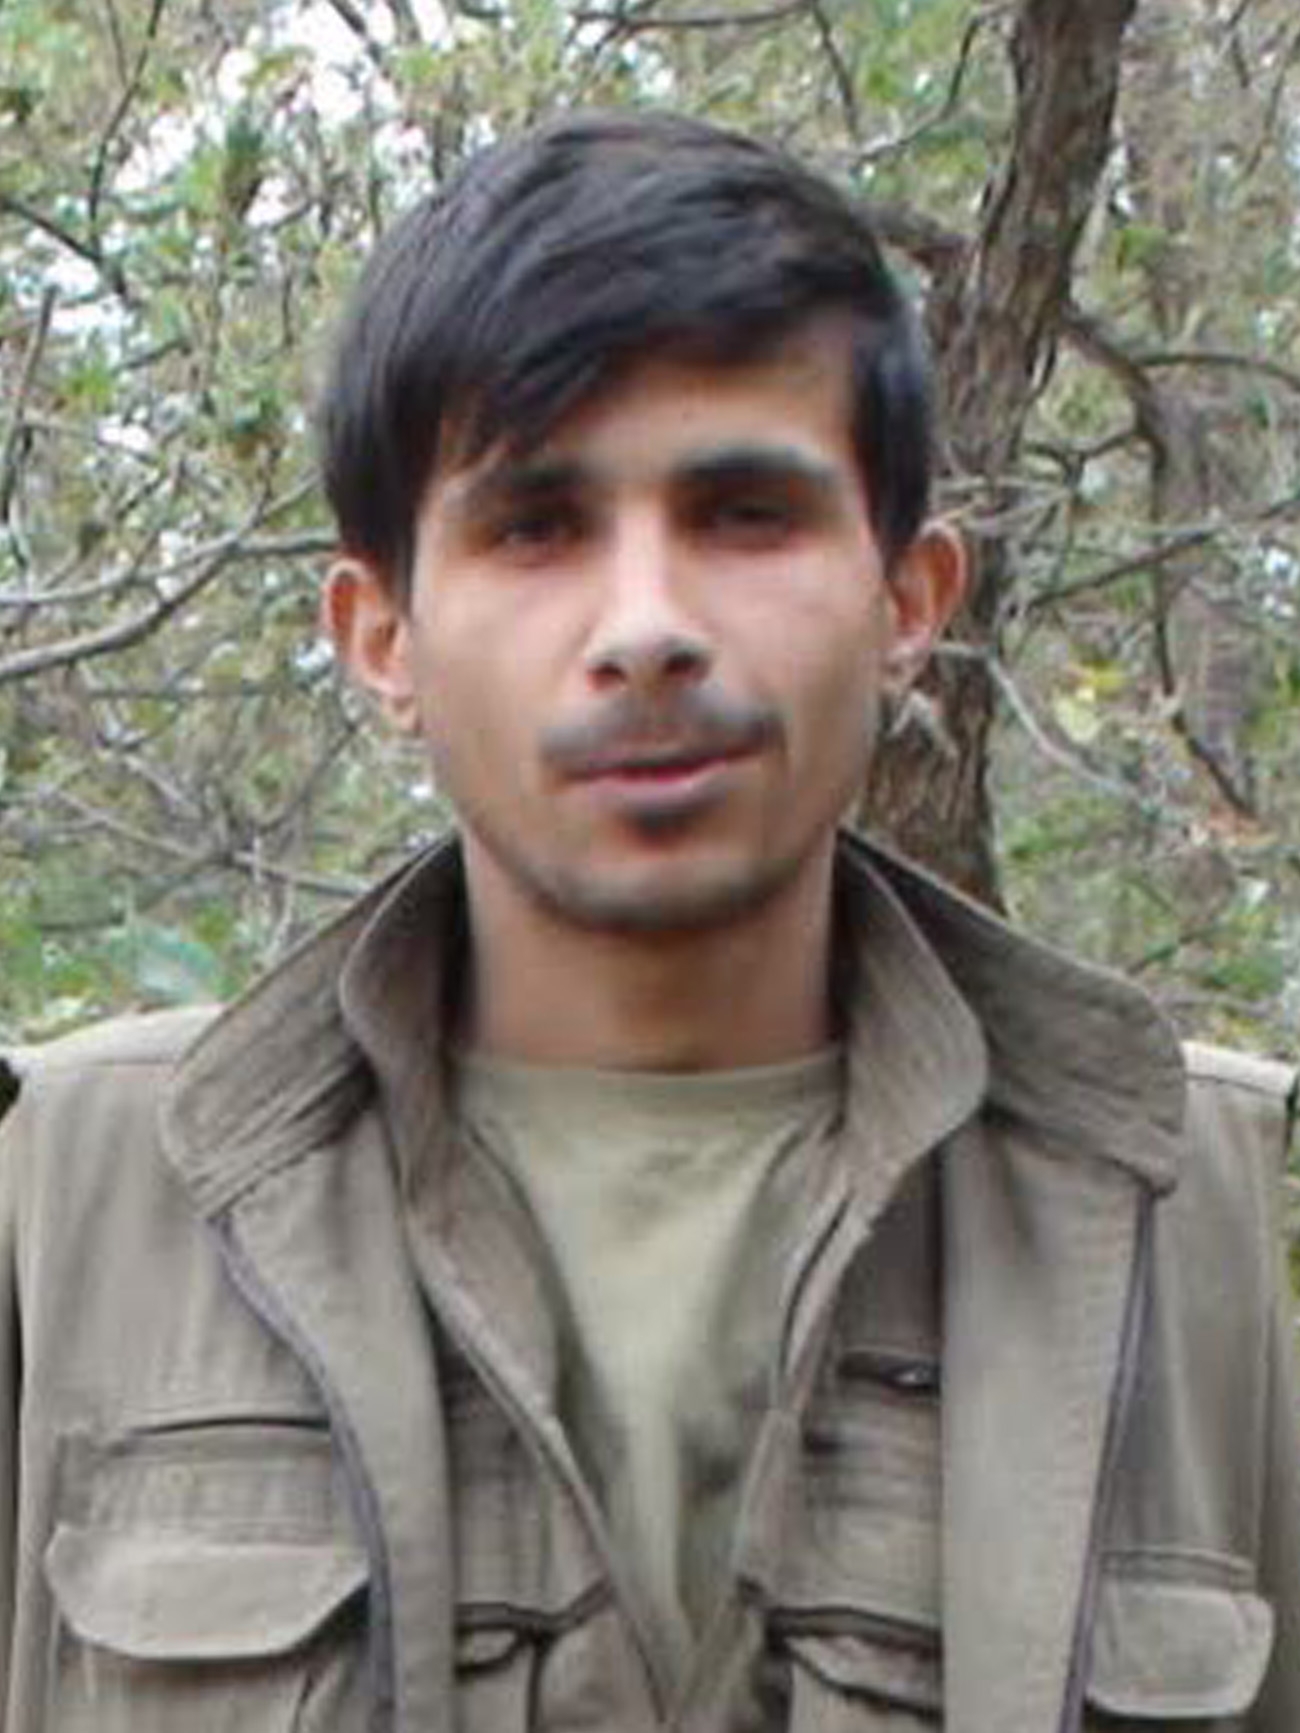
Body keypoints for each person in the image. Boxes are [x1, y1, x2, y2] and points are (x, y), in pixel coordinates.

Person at [0, 110, 1296, 1733]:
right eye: (535, 526)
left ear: (909, 600)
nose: (648, 628)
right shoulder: (86, 1195)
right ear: (383, 634)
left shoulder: (1174, 1202)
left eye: (745, 513)